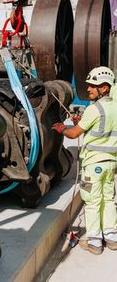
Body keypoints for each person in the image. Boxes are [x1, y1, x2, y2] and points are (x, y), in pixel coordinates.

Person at [52, 66, 117, 255]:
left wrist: (61, 128)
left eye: (93, 86)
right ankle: (112, 238)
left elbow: (73, 134)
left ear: (104, 88)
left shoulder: (94, 109)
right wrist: (82, 122)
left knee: (93, 201)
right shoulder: (114, 106)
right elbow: (103, 127)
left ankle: (95, 242)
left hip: (94, 164)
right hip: (111, 163)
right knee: (109, 199)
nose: (88, 89)